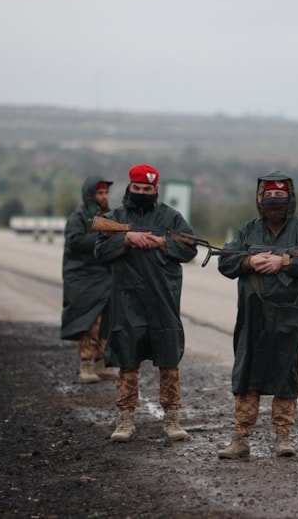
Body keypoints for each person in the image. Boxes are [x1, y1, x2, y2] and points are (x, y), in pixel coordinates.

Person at [216, 171, 298, 459]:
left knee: (286, 370)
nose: (274, 200)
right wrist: (249, 261)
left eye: (280, 195)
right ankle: (241, 438)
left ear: (290, 198)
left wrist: (285, 262)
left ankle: (283, 437)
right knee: (247, 369)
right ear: (260, 199)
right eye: (269, 196)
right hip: (253, 314)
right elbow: (225, 262)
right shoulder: (248, 230)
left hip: (291, 315)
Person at [94, 163, 198, 443]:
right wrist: (126, 239)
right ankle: (125, 419)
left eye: (147, 188)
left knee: (169, 358)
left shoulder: (171, 217)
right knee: (128, 359)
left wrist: (161, 243)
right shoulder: (115, 217)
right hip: (127, 297)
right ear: (130, 186)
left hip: (163, 297)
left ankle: (172, 419)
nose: (141, 192)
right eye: (137, 187)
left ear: (156, 189)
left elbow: (190, 249)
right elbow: (100, 252)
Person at [61, 175, 117, 384]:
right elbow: (74, 241)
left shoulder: (110, 216)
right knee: (89, 321)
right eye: (100, 193)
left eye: (106, 193)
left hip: (106, 277)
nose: (104, 197)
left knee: (107, 322)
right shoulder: (79, 217)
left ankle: (102, 363)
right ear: (90, 195)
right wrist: (103, 236)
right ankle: (86, 365)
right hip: (84, 277)